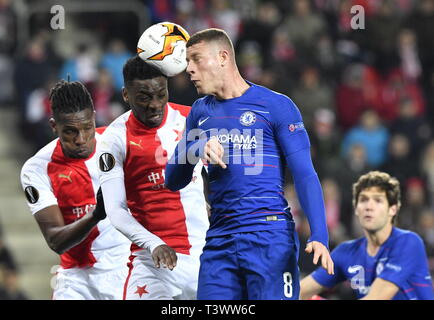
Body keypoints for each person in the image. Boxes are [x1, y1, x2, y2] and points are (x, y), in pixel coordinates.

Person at [165, 28, 333, 300]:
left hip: (269, 234)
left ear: (222, 57)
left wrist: (320, 234)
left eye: (195, 59)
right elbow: (172, 179)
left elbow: (304, 174)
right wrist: (196, 148)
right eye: (187, 62)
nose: (189, 70)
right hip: (219, 240)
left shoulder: (276, 106)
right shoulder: (199, 112)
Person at [96, 56, 209, 300]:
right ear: (126, 95)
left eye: (161, 94)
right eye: (144, 97)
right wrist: (153, 243)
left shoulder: (193, 120)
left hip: (204, 255)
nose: (155, 105)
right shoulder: (114, 139)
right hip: (151, 260)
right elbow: (115, 210)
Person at [20, 80, 131, 300]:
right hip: (75, 279)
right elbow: (55, 241)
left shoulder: (119, 145)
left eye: (87, 128)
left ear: (94, 118)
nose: (81, 140)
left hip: (126, 269)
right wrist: (96, 215)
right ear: (54, 126)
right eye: (70, 131)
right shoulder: (37, 169)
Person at [300, 171, 434, 300]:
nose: (369, 206)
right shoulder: (346, 252)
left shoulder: (408, 243)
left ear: (393, 209)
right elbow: (298, 292)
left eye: (378, 200)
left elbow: (377, 298)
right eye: (363, 200)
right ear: (356, 209)